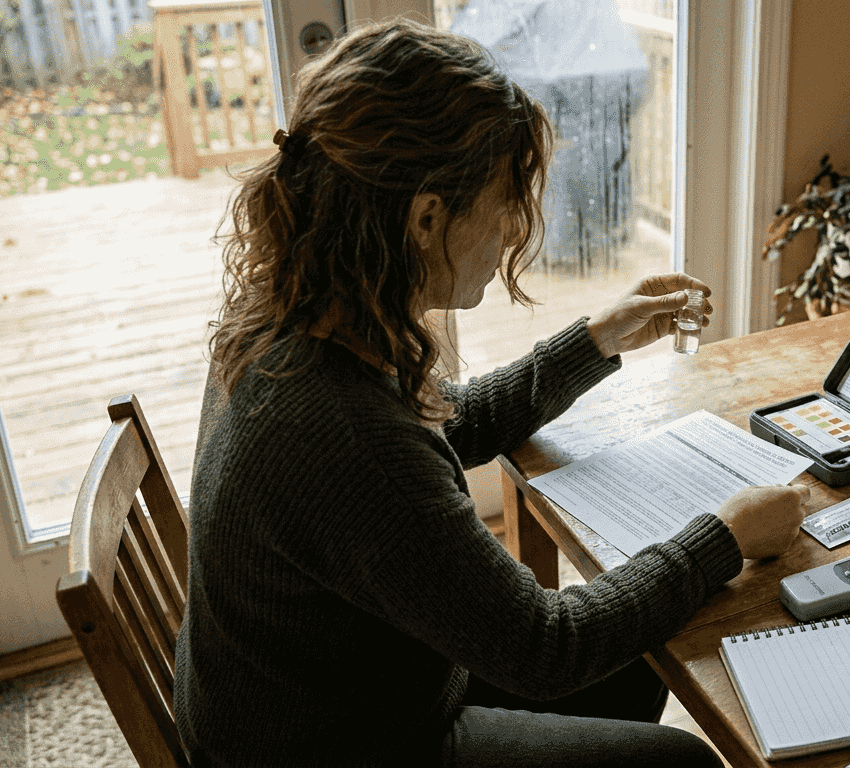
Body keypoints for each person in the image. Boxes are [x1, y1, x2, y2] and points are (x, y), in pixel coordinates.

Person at [174, 17, 809, 768]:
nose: (514, 230)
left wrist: (596, 339)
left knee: (639, 657)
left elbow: (442, 425)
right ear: (425, 217)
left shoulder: (301, 314)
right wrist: (725, 537)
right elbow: (547, 647)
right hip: (338, 746)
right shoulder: (340, 426)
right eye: (505, 200)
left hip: (332, 689)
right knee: (682, 760)